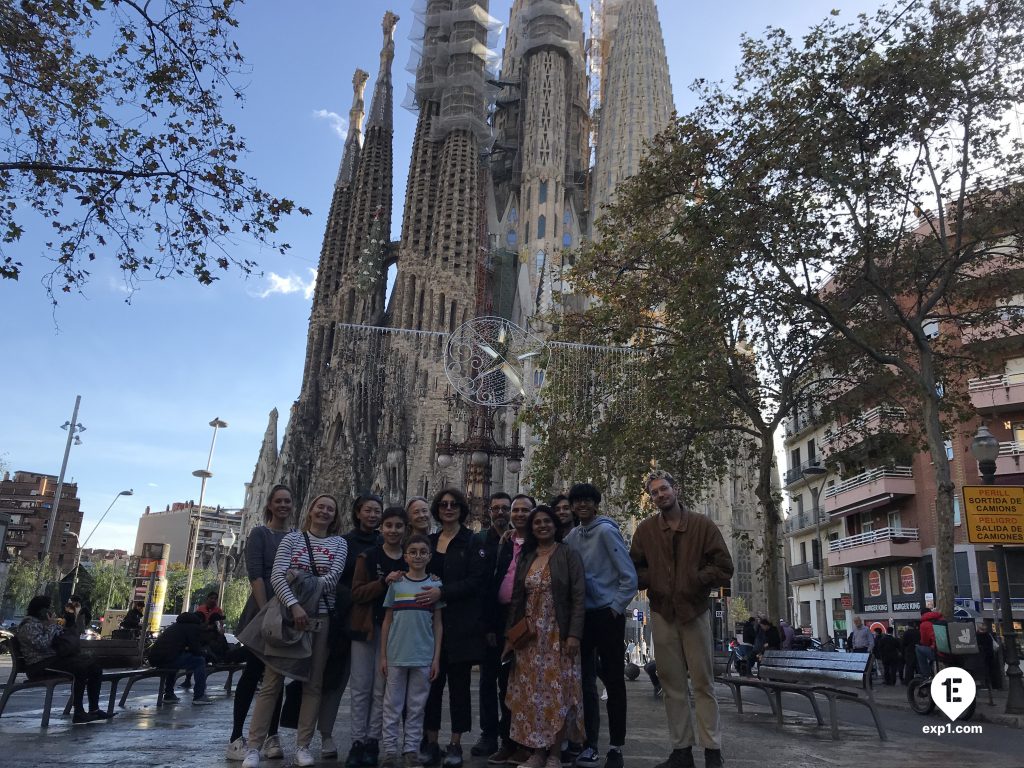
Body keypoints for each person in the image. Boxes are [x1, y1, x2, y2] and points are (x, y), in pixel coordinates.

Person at [630, 470, 734, 768]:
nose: (660, 495)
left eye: (664, 489)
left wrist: (695, 580)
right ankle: (681, 750)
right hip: (662, 612)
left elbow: (724, 566)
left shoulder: (702, 525)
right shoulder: (646, 530)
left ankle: (712, 750)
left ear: (676, 489)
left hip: (694, 611)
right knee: (672, 684)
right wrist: (658, 580)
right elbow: (634, 569)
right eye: (654, 492)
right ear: (651, 499)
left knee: (703, 683)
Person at [243, 493, 348, 768]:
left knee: (313, 683)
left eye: (330, 509)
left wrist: (301, 588)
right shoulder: (292, 539)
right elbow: (277, 575)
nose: (324, 512)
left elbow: (332, 578)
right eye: (320, 507)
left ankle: (303, 745)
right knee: (271, 682)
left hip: (321, 618)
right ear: (310, 510)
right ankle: (254, 746)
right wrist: (295, 606)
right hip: (288, 618)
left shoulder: (339, 543)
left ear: (335, 516)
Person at [504, 505, 585, 768]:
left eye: (546, 521)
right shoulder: (527, 555)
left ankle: (555, 753)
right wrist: (511, 635)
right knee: (531, 694)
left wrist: (573, 634)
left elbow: (578, 597)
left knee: (557, 692)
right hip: (530, 635)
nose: (542, 526)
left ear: (555, 525)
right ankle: (537, 751)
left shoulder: (568, 554)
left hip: (557, 632)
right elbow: (518, 597)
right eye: (536, 522)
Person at [563, 483, 637, 768]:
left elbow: (628, 575)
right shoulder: (572, 536)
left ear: (595, 505)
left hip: (607, 615)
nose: (581, 506)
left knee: (614, 681)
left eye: (587, 501)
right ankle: (587, 742)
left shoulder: (606, 531)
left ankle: (616, 747)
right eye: (577, 502)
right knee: (583, 683)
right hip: (583, 616)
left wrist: (615, 609)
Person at [418, 488, 485, 768]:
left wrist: (442, 593)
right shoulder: (429, 543)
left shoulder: (471, 542)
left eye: (454, 504)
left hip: (460, 626)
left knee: (459, 688)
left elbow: (476, 581)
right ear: (437, 509)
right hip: (429, 628)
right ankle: (430, 741)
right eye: (443, 504)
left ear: (461, 509)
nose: (448, 508)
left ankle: (455, 743)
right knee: (430, 687)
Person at [226, 483, 293, 762]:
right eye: (278, 501)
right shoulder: (259, 534)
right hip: (261, 608)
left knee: (276, 674)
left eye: (287, 501)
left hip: (284, 608)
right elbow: (256, 575)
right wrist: (266, 610)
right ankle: (236, 738)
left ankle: (272, 735)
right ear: (269, 505)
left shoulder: (294, 536)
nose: (283, 505)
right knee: (253, 672)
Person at [320, 494, 383, 765]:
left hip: (372, 620)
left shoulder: (383, 543)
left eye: (376, 511)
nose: (372, 515)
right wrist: (355, 597)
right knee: (335, 679)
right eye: (367, 510)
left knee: (372, 685)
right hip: (345, 616)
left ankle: (370, 739)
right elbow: (335, 580)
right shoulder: (344, 543)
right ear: (357, 513)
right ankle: (325, 735)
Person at [349, 506, 409, 768]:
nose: (393, 530)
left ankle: (373, 740)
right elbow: (357, 593)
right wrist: (383, 583)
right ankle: (357, 742)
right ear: (381, 529)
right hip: (365, 628)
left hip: (395, 634)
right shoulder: (368, 556)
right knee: (361, 688)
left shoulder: (410, 559)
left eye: (398, 526)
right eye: (389, 526)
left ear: (405, 529)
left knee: (380, 689)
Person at [380, 534, 444, 768]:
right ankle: (389, 750)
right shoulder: (396, 584)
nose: (418, 556)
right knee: (392, 706)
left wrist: (436, 658)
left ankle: (411, 750)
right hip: (397, 655)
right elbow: (387, 621)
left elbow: (437, 624)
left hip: (423, 655)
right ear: (405, 556)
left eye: (422, 552)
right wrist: (383, 656)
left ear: (429, 556)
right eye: (413, 551)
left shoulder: (436, 586)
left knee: (417, 706)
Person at [484, 493, 534, 766]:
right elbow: (495, 582)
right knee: (505, 684)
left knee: (526, 683)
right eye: (516, 510)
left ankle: (527, 743)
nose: (518, 514)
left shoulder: (541, 544)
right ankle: (508, 741)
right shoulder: (506, 543)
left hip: (529, 620)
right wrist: (491, 624)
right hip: (503, 618)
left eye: (525, 510)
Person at [17, 594, 111, 723]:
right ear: (42, 610)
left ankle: (94, 709)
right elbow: (42, 645)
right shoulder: (28, 625)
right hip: (39, 665)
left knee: (94, 668)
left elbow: (64, 635)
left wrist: (68, 622)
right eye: (49, 608)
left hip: (53, 661)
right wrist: (50, 626)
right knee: (80, 669)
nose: (52, 611)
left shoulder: (43, 623)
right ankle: (78, 712)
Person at [471, 492, 512, 759]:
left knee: (510, 683)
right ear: (489, 512)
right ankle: (488, 733)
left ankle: (509, 734)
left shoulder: (519, 541)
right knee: (488, 680)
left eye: (505, 508)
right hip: (488, 621)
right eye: (496, 508)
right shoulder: (480, 541)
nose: (500, 512)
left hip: (513, 623)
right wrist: (483, 625)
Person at [147, 611, 214, 705]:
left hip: (156, 659)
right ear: (200, 621)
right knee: (199, 661)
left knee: (175, 662)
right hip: (168, 659)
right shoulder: (192, 627)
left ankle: (169, 694)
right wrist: (207, 655)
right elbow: (195, 648)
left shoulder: (177, 626)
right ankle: (199, 696)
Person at [917, 607, 943, 676]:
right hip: (947, 650)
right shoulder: (941, 618)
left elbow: (924, 642)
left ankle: (926, 675)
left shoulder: (924, 624)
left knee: (918, 649)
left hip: (938, 652)